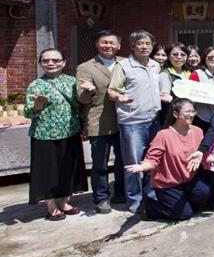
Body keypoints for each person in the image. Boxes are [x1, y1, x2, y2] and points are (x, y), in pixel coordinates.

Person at [24, 48, 86, 220]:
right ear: (41, 63)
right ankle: (51, 205)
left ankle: (63, 201)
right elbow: (29, 113)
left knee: (67, 170)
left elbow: (81, 106)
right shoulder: (36, 85)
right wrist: (37, 105)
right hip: (45, 135)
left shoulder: (72, 82)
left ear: (64, 62)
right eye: (46, 60)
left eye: (55, 60)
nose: (51, 63)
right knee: (47, 172)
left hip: (70, 132)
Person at [124, 99, 211, 221]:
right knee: (185, 215)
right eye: (187, 111)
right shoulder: (163, 135)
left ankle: (180, 203)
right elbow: (152, 159)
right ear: (175, 114)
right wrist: (142, 167)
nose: (191, 114)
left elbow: (202, 155)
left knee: (204, 192)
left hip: (188, 179)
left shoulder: (197, 131)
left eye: (193, 111)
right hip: (167, 184)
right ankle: (149, 207)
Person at [108, 29, 162, 214]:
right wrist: (119, 98)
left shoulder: (155, 65)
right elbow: (112, 90)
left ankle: (150, 195)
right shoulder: (123, 66)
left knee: (152, 160)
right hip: (132, 123)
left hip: (154, 120)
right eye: (140, 43)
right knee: (133, 163)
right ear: (133, 46)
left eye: (148, 43)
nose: (145, 46)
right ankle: (134, 201)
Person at [76, 30, 125, 213]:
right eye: (104, 42)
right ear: (97, 44)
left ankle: (121, 192)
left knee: (122, 161)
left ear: (119, 45)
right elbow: (82, 99)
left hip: (124, 120)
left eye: (112, 43)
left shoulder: (126, 63)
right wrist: (88, 90)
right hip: (99, 121)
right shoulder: (86, 67)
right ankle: (101, 198)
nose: (108, 46)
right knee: (100, 164)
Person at [188, 46, 214, 132]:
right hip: (200, 117)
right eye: (210, 57)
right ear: (205, 58)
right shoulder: (196, 74)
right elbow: (189, 95)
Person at [158, 42, 191, 125]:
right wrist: (165, 96)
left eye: (183, 55)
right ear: (168, 56)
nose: (179, 57)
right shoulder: (165, 74)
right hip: (171, 118)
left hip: (187, 116)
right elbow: (165, 95)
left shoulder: (189, 73)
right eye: (175, 54)